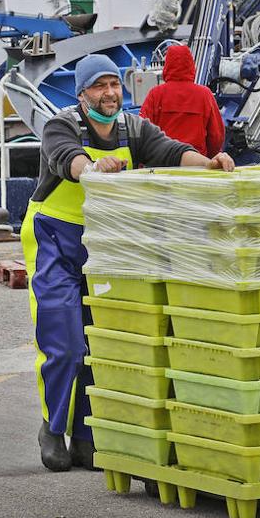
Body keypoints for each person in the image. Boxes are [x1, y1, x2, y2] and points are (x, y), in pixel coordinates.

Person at [22, 54, 235, 472]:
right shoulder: (61, 125)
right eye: (99, 86)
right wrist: (94, 167)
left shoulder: (133, 127)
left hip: (106, 245)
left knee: (103, 342)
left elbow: (171, 151)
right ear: (82, 94)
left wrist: (207, 163)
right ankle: (53, 427)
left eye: (114, 85)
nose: (109, 93)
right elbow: (67, 159)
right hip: (56, 241)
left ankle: (87, 433)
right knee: (64, 342)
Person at [139, 44, 225, 157]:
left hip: (163, 163)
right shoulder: (205, 94)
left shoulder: (156, 94)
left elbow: (142, 130)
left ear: (167, 66)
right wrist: (209, 158)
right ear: (191, 65)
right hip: (196, 164)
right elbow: (216, 136)